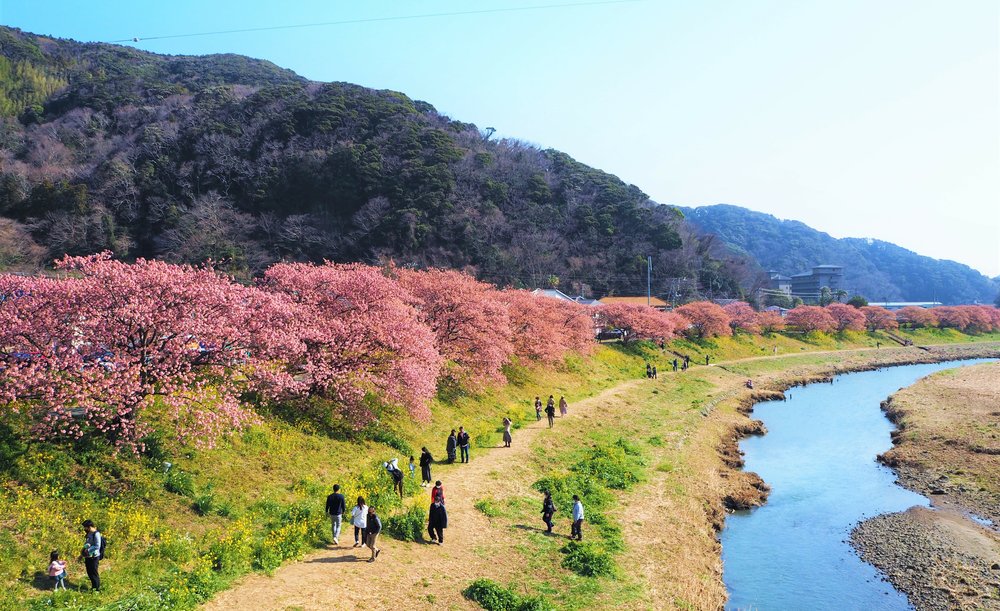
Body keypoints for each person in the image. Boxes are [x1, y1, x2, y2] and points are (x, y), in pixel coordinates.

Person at [80, 519, 102, 592]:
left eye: (85, 527)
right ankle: (93, 587)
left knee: (94, 573)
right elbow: (87, 543)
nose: (84, 529)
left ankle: (97, 589)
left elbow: (97, 546)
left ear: (89, 526)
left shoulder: (96, 534)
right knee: (89, 572)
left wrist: (88, 550)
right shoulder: (89, 533)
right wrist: (83, 551)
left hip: (94, 557)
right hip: (88, 556)